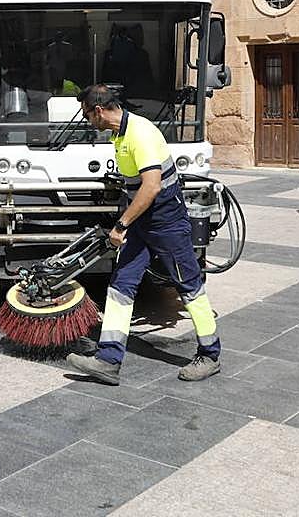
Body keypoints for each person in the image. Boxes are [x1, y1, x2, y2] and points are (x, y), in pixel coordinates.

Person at [66, 84, 221, 385]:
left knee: (188, 285)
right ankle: (108, 360)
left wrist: (121, 225)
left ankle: (210, 354)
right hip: (142, 223)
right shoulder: (120, 134)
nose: (87, 121)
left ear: (98, 111)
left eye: (86, 115)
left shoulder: (140, 133)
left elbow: (152, 186)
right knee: (121, 285)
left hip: (166, 222)